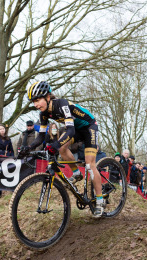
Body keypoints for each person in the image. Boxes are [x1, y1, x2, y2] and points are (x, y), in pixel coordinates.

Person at [22, 81, 105, 217]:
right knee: (62, 149)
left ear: (48, 97)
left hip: (89, 127)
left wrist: (55, 145)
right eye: (33, 102)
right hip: (76, 129)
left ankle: (100, 201)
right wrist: (28, 147)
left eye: (38, 100)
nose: (36, 104)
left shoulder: (62, 104)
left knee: (90, 165)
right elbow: (40, 137)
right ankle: (77, 173)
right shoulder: (43, 114)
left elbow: (70, 131)